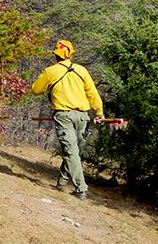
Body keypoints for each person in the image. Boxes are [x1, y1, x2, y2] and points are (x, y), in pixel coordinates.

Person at [31, 39, 104, 198]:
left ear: (56, 55)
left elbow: (35, 90)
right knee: (73, 151)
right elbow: (92, 93)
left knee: (71, 151)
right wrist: (99, 113)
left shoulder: (50, 71)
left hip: (63, 116)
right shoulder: (82, 70)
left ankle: (79, 188)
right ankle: (66, 184)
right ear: (71, 55)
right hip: (83, 117)